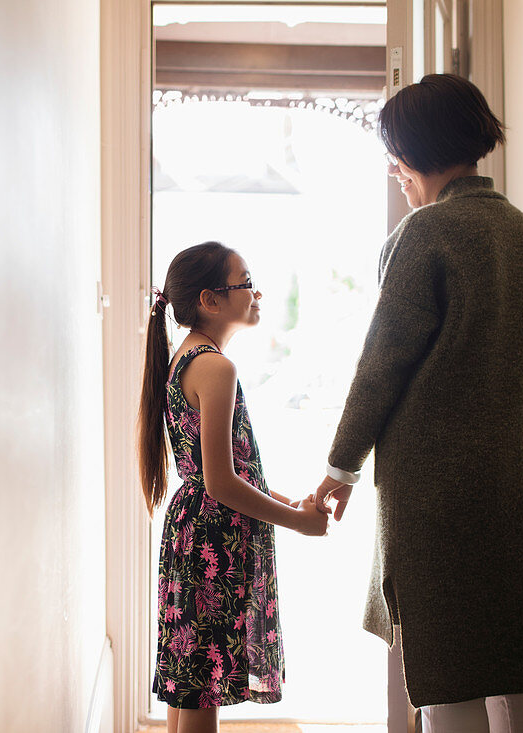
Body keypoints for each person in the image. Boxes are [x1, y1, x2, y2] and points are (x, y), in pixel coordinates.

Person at [314, 74, 523, 733]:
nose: (394, 167)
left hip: (439, 492)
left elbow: (382, 363)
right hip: (514, 488)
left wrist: (340, 467)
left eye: (394, 150)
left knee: (448, 660)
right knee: (510, 654)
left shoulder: (427, 233)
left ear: (416, 147)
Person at [139, 241, 329, 733]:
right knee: (201, 692)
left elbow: (222, 473)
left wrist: (281, 500)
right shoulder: (215, 366)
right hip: (212, 540)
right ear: (210, 299)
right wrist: (300, 524)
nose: (257, 291)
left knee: (191, 688)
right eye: (245, 282)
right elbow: (221, 482)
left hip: (192, 528)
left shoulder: (188, 357)